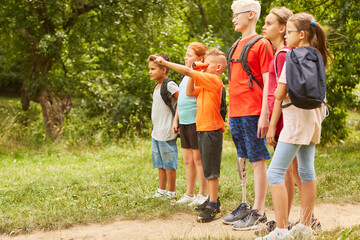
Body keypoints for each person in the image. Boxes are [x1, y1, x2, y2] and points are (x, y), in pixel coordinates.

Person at [257, 12, 333, 240]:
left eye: (289, 32)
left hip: (295, 118)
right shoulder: (317, 55)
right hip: (313, 117)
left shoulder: (293, 56)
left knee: (275, 173)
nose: (286, 36)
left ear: (300, 35)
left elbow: (280, 92)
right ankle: (305, 226)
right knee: (306, 169)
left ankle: (281, 230)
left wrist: (272, 124)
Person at [152, 48, 226, 223]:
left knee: (211, 171)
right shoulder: (205, 81)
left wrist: (166, 63)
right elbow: (191, 92)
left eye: (208, 63)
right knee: (208, 167)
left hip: (211, 130)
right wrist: (196, 73)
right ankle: (211, 199)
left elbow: (186, 71)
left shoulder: (214, 80)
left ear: (217, 68)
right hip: (202, 128)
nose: (204, 66)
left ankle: (213, 205)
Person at [222, 0, 273, 230]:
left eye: (236, 14)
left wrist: (265, 115)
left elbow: (268, 81)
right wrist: (230, 114)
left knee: (257, 161)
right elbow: (234, 83)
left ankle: (259, 210)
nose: (233, 18)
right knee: (242, 158)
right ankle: (245, 204)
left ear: (251, 14)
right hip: (237, 113)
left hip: (253, 113)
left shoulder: (261, 44)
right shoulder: (235, 44)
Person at [174, 42, 208, 206]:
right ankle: (189, 193)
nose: (186, 58)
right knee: (187, 160)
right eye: (186, 55)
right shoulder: (185, 76)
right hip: (184, 122)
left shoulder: (200, 75)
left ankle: (202, 194)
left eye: (189, 55)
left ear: (200, 58)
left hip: (196, 121)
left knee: (198, 159)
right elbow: (180, 101)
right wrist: (176, 120)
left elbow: (194, 95)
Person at [147, 53, 179, 200]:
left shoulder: (170, 85)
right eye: (149, 69)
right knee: (159, 163)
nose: (150, 72)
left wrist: (175, 121)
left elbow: (182, 101)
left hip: (167, 131)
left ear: (164, 69)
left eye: (153, 69)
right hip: (157, 132)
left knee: (169, 164)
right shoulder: (156, 86)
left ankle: (171, 192)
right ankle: (161, 191)